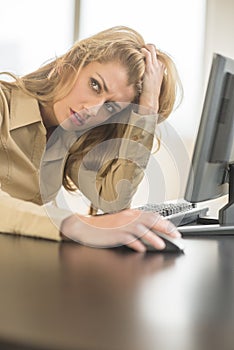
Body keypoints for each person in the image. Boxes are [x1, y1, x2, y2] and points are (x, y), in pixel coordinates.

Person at [0, 26, 182, 252]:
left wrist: (147, 110)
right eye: (95, 85)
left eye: (110, 106)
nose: (93, 111)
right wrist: (76, 224)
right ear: (67, 65)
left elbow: (114, 202)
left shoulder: (67, 138)